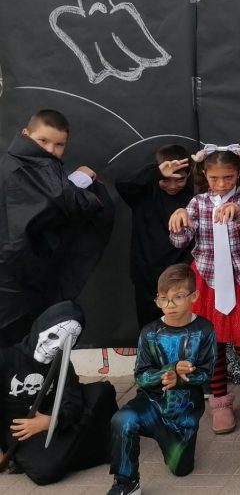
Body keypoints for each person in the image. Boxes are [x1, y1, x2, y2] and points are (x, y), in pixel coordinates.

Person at [169, 142, 240, 434]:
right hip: (208, 280)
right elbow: (180, 242)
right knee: (212, 345)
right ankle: (220, 402)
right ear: (204, 175)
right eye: (215, 178)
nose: (221, 184)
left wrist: (238, 212)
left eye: (228, 177)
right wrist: (178, 222)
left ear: (238, 174)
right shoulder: (198, 203)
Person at [0, 109, 113, 346]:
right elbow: (51, 203)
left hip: (29, 274)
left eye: (59, 144)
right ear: (25, 134)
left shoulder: (38, 167)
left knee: (28, 338)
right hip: (13, 274)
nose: (50, 150)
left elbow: (52, 201)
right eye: (42, 140)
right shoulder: (19, 167)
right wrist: (80, 179)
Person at [107, 264, 217, 495]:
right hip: (151, 404)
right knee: (122, 420)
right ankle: (127, 483)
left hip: (183, 413)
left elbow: (207, 373)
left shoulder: (204, 330)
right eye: (163, 299)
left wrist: (181, 379)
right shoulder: (150, 332)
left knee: (181, 469)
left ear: (194, 296)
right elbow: (141, 376)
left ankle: (171, 443)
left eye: (178, 297)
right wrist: (168, 371)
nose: (170, 305)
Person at [0, 301, 117, 485]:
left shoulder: (62, 364)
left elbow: (72, 401)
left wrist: (51, 422)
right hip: (19, 432)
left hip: (50, 421)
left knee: (101, 392)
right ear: (41, 328)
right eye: (54, 336)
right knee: (44, 471)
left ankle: (100, 445)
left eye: (69, 340)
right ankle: (94, 447)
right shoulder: (7, 358)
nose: (57, 346)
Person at [115, 144, 193, 329]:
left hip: (182, 273)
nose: (173, 185)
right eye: (166, 179)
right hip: (147, 274)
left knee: (182, 326)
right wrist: (156, 172)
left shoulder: (195, 198)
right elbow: (122, 183)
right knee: (150, 327)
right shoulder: (144, 194)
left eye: (179, 180)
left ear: (189, 175)